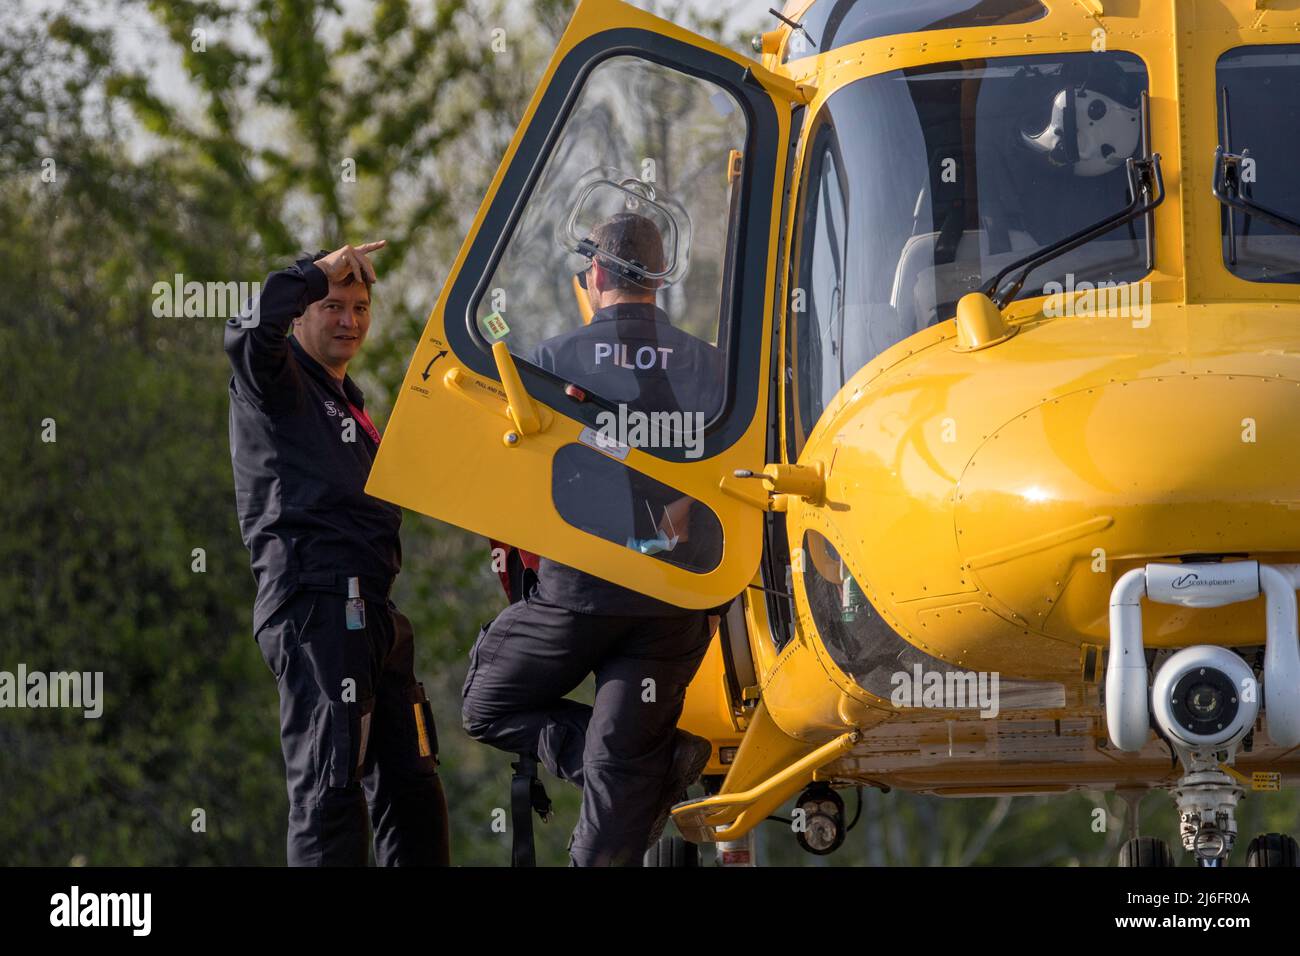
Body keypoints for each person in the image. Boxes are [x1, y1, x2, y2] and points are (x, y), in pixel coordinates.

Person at [462, 213, 729, 866]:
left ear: (598, 274)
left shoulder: (551, 362)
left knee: (486, 704)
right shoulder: (713, 366)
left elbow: (511, 480)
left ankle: (646, 769)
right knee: (617, 778)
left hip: (580, 593)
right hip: (675, 606)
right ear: (657, 284)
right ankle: (637, 769)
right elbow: (731, 470)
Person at [225, 241, 450, 866]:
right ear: (300, 312)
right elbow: (246, 329)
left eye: (359, 306)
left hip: (373, 613)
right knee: (330, 795)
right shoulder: (276, 380)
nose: (349, 319)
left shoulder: (348, 400)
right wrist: (310, 273)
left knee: (414, 790)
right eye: (331, 305)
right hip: (317, 608)